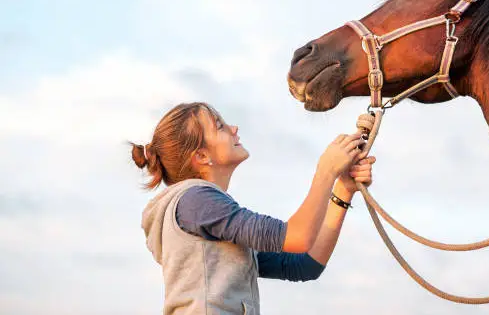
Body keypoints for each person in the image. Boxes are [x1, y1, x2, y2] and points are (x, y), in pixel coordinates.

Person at [132, 102, 375, 315]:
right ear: (202, 156)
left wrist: (343, 189)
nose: (234, 128)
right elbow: (297, 236)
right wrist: (327, 170)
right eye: (220, 126)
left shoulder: (204, 212)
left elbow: (305, 264)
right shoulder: (196, 200)